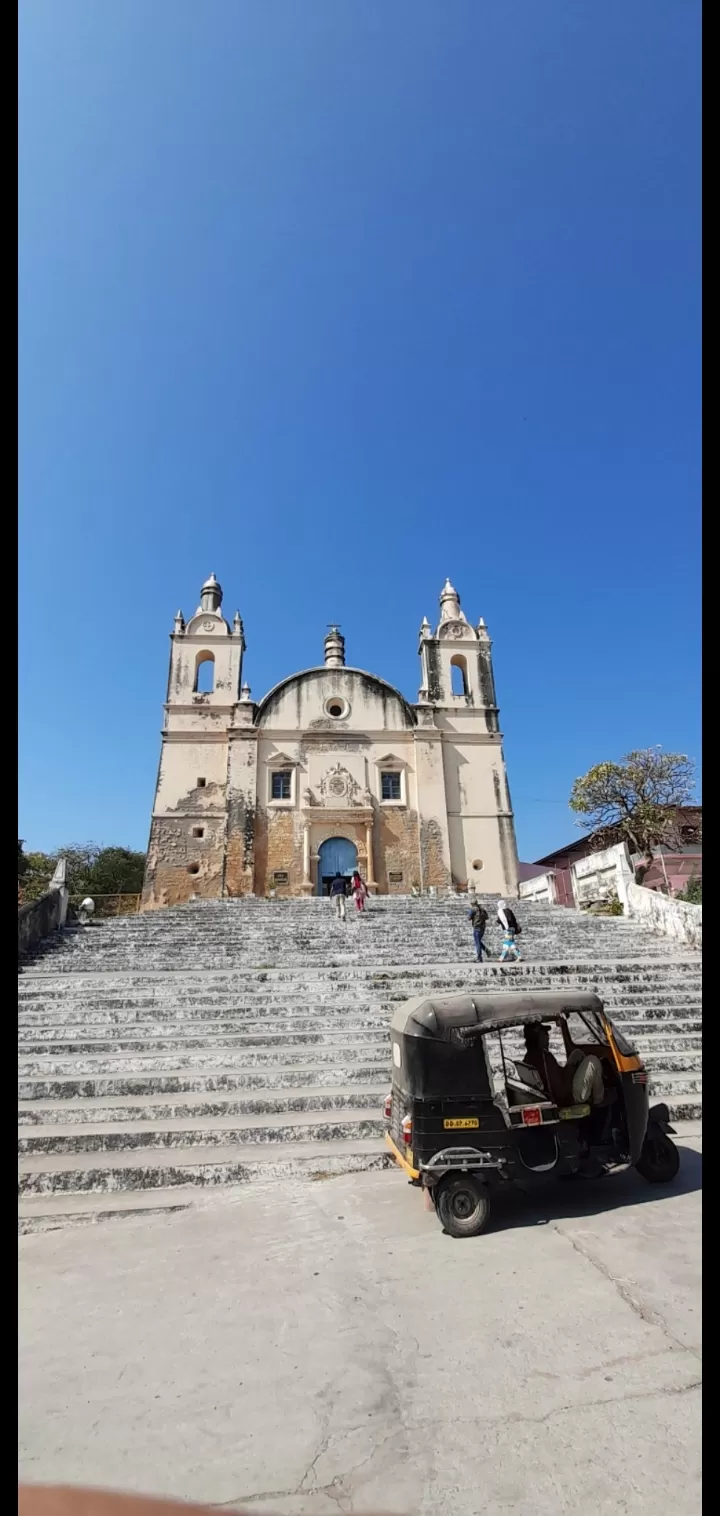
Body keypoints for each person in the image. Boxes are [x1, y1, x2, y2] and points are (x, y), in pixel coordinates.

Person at [523, 1023, 605, 1107]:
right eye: (545, 1034)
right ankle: (598, 1102)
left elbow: (556, 1075)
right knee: (592, 1061)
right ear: (537, 1038)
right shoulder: (544, 1059)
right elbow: (561, 1092)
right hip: (567, 1099)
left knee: (577, 1054)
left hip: (560, 1091)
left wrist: (569, 1070)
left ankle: (590, 1091)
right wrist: (570, 1073)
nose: (548, 1037)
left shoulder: (530, 1056)